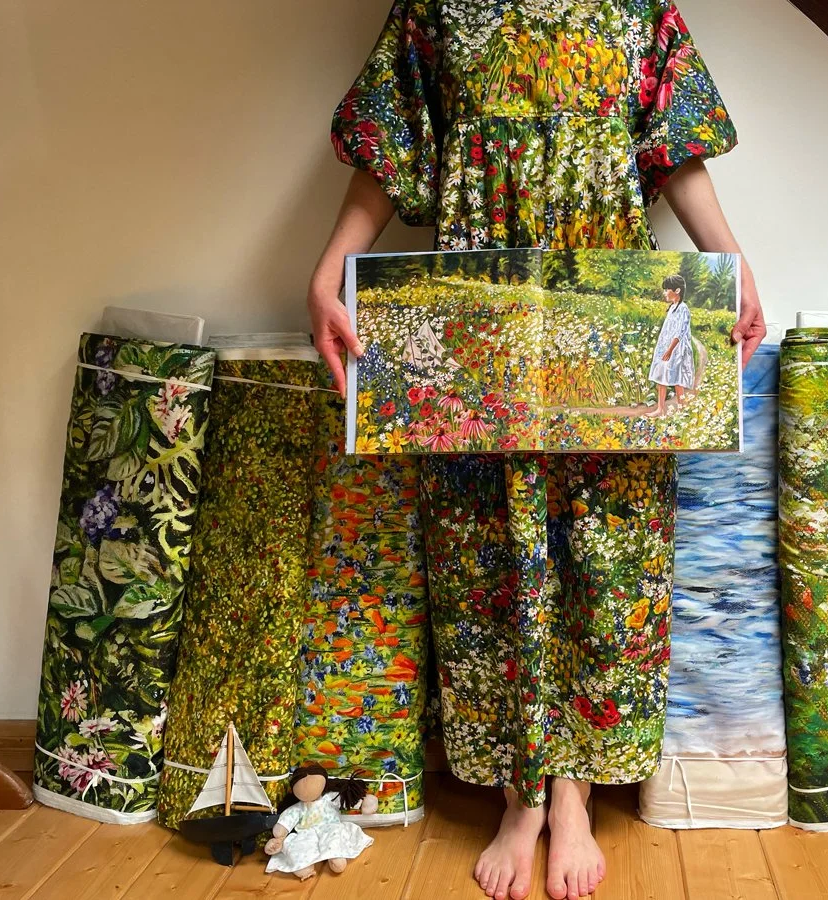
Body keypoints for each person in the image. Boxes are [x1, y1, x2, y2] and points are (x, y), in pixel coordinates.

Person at [307, 4, 765, 899]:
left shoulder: (638, 7)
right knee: (487, 549)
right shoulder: (437, 6)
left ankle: (574, 792)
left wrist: (733, 264)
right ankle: (521, 794)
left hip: (609, 298)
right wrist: (330, 270)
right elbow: (390, 148)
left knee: (610, 551)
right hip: (480, 310)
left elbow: (675, 150)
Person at [648, 273, 695, 415]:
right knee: (661, 377)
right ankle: (660, 408)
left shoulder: (683, 308)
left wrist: (670, 350)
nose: (664, 293)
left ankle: (681, 408)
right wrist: (664, 348)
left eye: (667, 289)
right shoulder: (672, 307)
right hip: (666, 347)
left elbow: (680, 332)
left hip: (677, 349)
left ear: (677, 290)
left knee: (678, 378)